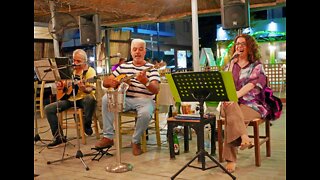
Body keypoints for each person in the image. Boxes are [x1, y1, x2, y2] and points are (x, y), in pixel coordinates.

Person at [95, 38, 160, 156]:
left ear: (145, 52)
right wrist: (111, 82)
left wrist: (145, 81)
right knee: (106, 99)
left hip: (145, 100)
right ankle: (108, 137)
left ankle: (135, 141)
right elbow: (105, 82)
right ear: (131, 52)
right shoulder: (123, 67)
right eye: (134, 49)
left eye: (140, 49)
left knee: (146, 113)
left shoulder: (152, 68)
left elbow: (156, 90)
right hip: (126, 99)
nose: (137, 52)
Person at [220, 34, 269, 173]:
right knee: (231, 106)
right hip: (229, 103)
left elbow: (253, 84)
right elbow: (226, 81)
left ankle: (231, 159)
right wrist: (231, 63)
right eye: (237, 44)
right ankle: (244, 136)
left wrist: (235, 96)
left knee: (232, 115)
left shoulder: (256, 65)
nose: (239, 46)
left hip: (251, 103)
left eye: (243, 44)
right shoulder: (231, 64)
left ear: (249, 47)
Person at [44, 49, 97, 148]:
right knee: (48, 109)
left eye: (78, 61)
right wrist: (61, 85)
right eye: (74, 60)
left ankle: (87, 124)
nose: (75, 63)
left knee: (90, 99)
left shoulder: (90, 71)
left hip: (83, 99)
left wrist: (83, 88)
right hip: (69, 99)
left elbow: (90, 89)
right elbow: (62, 83)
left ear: (84, 61)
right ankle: (58, 137)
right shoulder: (69, 71)